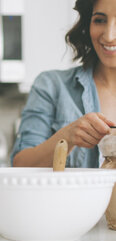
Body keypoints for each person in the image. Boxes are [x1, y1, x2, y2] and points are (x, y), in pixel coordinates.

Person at [12, 0, 116, 168]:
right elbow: (20, 165)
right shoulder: (51, 86)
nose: (109, 35)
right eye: (99, 20)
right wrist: (67, 136)